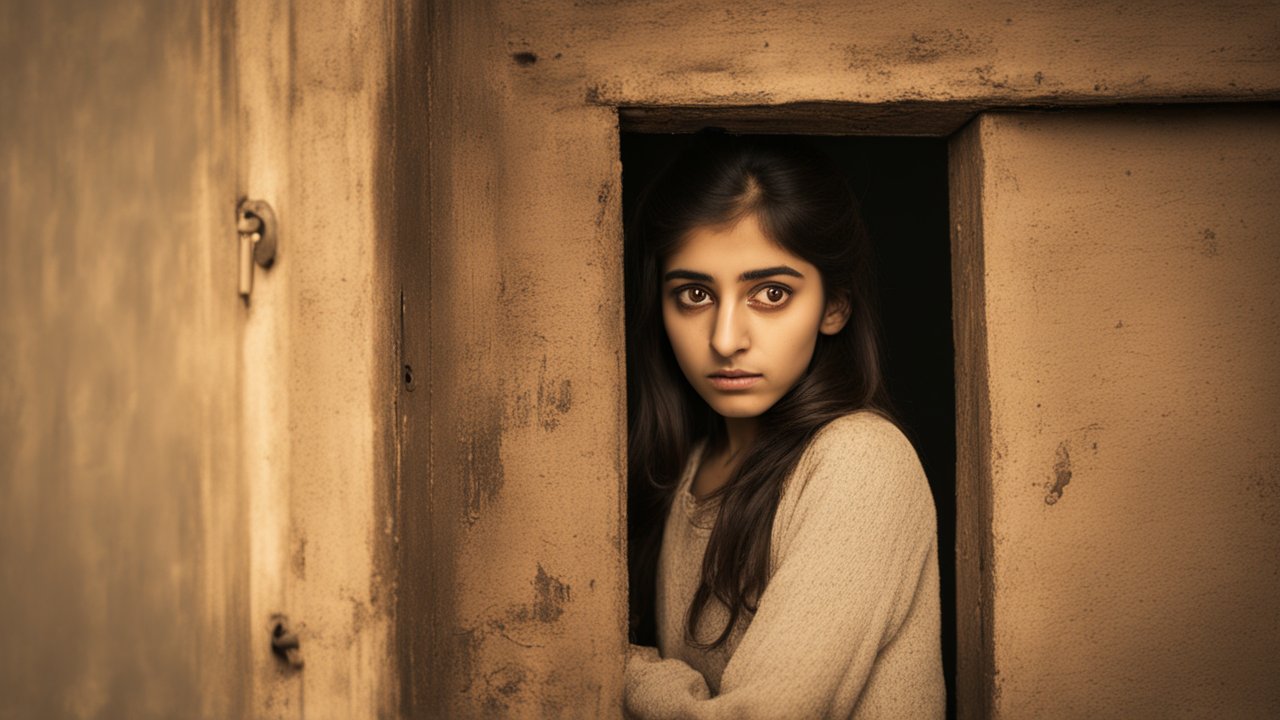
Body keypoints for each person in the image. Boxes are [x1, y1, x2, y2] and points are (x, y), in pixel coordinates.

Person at [623, 132, 945, 719]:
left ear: (834, 306)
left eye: (770, 293)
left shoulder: (861, 461)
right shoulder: (691, 464)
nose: (725, 340)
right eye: (694, 294)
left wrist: (627, 670)